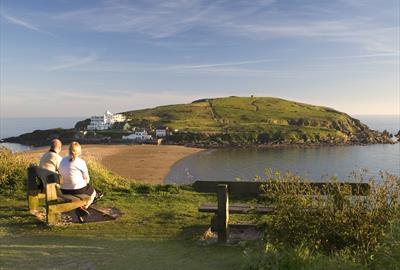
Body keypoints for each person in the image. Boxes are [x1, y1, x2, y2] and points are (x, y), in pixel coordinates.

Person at [58, 141, 98, 223]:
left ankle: (80, 207)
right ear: (79, 152)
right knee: (93, 192)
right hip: (77, 189)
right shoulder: (81, 162)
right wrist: (84, 181)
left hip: (64, 190)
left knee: (84, 188)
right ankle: (83, 207)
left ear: (69, 150)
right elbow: (87, 179)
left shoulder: (62, 160)